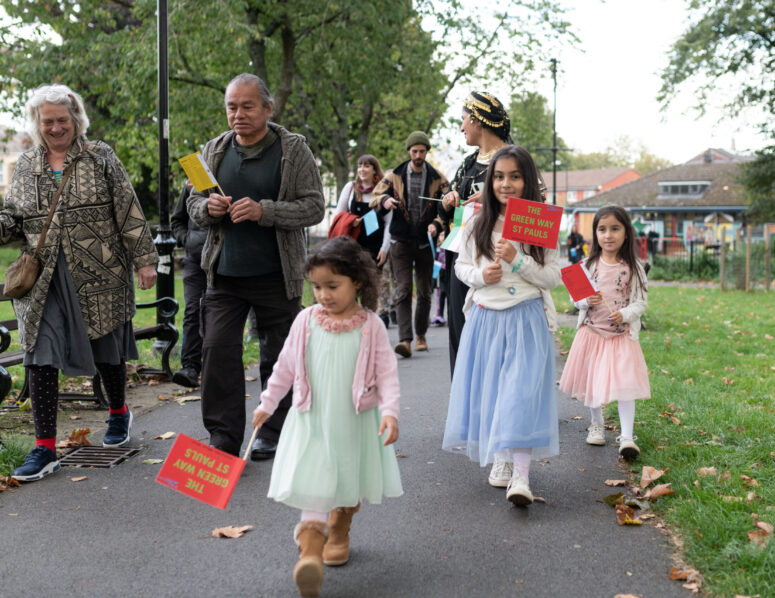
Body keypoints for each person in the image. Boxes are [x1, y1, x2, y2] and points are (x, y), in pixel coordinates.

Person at [3, 84, 158, 482]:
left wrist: (144, 260)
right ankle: (45, 447)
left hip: (100, 272)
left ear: (76, 120)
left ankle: (119, 412)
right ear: (37, 124)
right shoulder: (26, 165)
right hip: (45, 279)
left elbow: (128, 209)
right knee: (40, 351)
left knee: (106, 346)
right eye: (48, 121)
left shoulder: (99, 157)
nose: (56, 128)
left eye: (62, 119)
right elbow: (14, 219)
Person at [251, 236, 402, 598]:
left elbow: (387, 374)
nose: (323, 295)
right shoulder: (305, 321)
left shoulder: (371, 326)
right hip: (312, 419)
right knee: (315, 481)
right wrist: (267, 403)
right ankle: (311, 553)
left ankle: (340, 528)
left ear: (358, 283)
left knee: (347, 479)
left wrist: (391, 413)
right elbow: (284, 368)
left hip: (354, 421)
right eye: (317, 287)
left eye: (333, 286)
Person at [187, 73, 325, 459]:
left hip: (276, 274)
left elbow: (315, 206)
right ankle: (223, 440)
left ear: (268, 108)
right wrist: (208, 208)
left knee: (278, 356)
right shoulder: (212, 150)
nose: (239, 114)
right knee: (216, 353)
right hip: (224, 277)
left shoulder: (292, 150)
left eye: (248, 106)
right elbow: (193, 206)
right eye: (232, 106)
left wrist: (266, 211)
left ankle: (272, 431)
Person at [442, 146, 561, 507]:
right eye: (498, 176)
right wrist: (481, 275)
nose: (506, 184)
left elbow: (553, 276)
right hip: (485, 319)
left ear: (528, 181)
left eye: (515, 176)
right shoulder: (475, 220)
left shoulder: (538, 223)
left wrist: (519, 260)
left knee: (520, 394)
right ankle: (501, 459)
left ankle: (521, 475)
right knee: (494, 392)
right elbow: (461, 265)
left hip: (525, 318)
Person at [559, 205, 650, 460]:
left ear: (626, 233)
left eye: (614, 229)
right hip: (592, 333)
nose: (608, 235)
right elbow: (576, 300)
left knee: (625, 385)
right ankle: (596, 423)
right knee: (593, 381)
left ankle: (628, 436)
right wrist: (587, 300)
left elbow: (641, 302)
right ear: (595, 233)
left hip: (621, 337)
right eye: (602, 229)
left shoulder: (634, 267)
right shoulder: (588, 265)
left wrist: (626, 314)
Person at [439, 91, 511, 376]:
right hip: (463, 258)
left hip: (499, 259)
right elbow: (450, 211)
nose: (461, 127)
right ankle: (464, 394)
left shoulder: (513, 160)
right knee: (460, 326)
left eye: (464, 120)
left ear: (479, 120)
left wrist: (491, 201)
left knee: (495, 332)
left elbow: (537, 212)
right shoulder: (468, 163)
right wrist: (448, 200)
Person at [371, 131, 448, 357]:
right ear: (408, 152)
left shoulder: (438, 178)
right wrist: (386, 201)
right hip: (400, 241)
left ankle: (421, 334)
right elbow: (376, 196)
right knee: (403, 289)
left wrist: (437, 223)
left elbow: (448, 208)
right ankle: (405, 340)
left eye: (422, 151)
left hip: (425, 242)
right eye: (414, 151)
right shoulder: (394, 175)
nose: (418, 155)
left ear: (426, 152)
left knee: (424, 293)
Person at [334, 154, 393, 327]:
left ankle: (370, 329)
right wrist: (350, 220)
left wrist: (385, 248)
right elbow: (339, 215)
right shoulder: (351, 188)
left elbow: (389, 223)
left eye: (367, 166)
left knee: (371, 291)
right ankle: (351, 326)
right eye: (360, 166)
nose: (362, 169)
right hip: (352, 248)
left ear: (375, 169)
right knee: (350, 287)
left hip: (375, 249)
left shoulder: (383, 191)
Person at [170, 181, 207, 388]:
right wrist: (188, 239)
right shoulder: (194, 180)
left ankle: (214, 366)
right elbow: (177, 220)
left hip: (224, 258)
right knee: (193, 309)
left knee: (214, 312)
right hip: (194, 258)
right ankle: (190, 368)